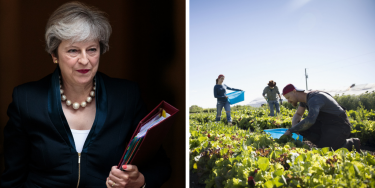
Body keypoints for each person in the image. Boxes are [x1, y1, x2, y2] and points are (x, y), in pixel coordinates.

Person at [1, 2, 171, 188]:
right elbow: (12, 179)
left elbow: (160, 165)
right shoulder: (27, 100)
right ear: (54, 54)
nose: (84, 60)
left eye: (92, 49)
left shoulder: (126, 96)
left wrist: (140, 181)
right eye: (73, 50)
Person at [282, 84, 360, 152]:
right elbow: (298, 114)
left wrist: (291, 130)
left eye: (288, 97)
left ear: (294, 91)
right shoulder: (304, 98)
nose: (288, 101)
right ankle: (326, 142)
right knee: (300, 127)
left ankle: (350, 143)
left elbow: (310, 120)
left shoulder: (314, 98)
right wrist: (295, 129)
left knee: (323, 151)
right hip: (326, 125)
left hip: (339, 125)